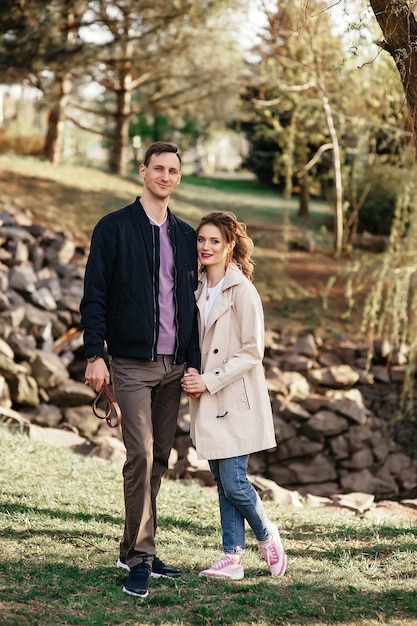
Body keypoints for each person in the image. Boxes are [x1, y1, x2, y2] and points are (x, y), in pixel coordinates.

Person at [80, 141, 200, 598]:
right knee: (140, 456)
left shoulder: (186, 236)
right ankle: (140, 559)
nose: (166, 176)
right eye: (159, 169)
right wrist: (95, 354)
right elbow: (95, 295)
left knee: (161, 460)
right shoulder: (112, 228)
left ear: (178, 178)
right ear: (142, 172)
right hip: (130, 365)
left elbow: (192, 304)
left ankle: (133, 546)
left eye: (174, 171)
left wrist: (193, 363)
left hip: (174, 368)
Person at [181, 211, 286, 580]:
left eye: (214, 241)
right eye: (201, 240)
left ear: (229, 247)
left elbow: (252, 351)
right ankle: (232, 558)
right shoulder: (193, 288)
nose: (206, 247)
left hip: (233, 397)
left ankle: (266, 533)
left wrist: (210, 380)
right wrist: (192, 372)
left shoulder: (242, 290)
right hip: (205, 398)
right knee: (221, 481)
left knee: (234, 480)